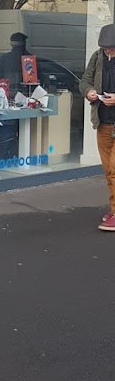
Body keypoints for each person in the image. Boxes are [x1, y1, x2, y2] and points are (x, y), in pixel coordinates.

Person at [80, 23, 115, 231]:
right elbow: (85, 81)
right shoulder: (98, 57)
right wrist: (89, 92)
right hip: (103, 122)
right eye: (106, 47)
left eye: (112, 48)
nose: (109, 51)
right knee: (109, 171)